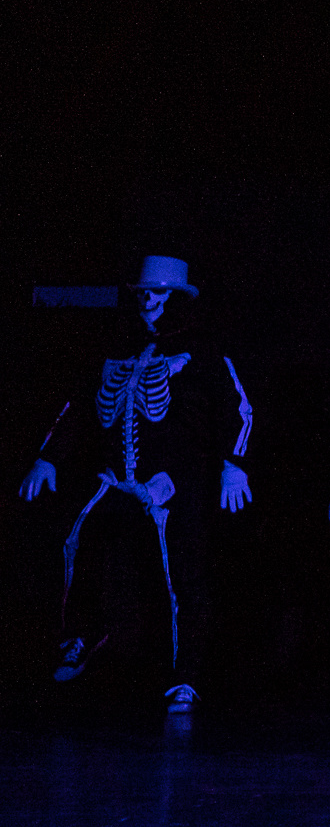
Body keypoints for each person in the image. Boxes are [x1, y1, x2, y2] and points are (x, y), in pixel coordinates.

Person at [19, 255, 254, 713]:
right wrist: (48, 458)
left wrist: (234, 464)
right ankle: (82, 634)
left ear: (178, 297)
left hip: (172, 481)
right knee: (73, 535)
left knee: (180, 574)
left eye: (158, 292)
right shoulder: (117, 349)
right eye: (143, 292)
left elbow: (239, 409)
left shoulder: (202, 351)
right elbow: (79, 407)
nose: (148, 300)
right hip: (114, 477)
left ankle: (185, 675)